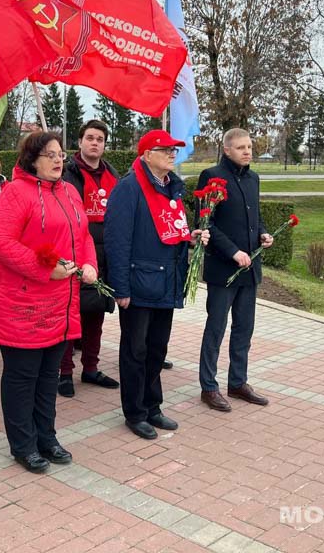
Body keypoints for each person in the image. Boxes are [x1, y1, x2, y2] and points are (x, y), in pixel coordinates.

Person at [0, 131, 97, 473]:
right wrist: (45, 269)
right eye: (49, 154)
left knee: (49, 376)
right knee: (23, 376)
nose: (58, 159)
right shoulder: (15, 193)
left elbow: (84, 235)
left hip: (60, 303)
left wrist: (90, 262)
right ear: (32, 159)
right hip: (23, 303)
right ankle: (23, 444)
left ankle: (46, 437)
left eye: (60, 153)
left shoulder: (69, 191)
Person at [104, 130, 209, 440]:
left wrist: (190, 239)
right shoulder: (129, 189)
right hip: (138, 284)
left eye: (174, 150)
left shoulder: (170, 189)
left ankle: (153, 406)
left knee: (157, 349)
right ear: (147, 155)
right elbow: (116, 241)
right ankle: (134, 412)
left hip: (166, 281)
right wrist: (120, 288)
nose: (172, 154)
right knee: (135, 350)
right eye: (165, 150)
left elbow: (169, 231)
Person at [197, 128, 272, 411]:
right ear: (227, 150)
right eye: (240, 147)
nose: (247, 152)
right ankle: (209, 386)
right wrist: (232, 251)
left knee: (244, 329)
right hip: (223, 270)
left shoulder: (253, 178)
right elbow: (206, 222)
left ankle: (238, 382)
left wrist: (263, 234)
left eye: (250, 147)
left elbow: (256, 216)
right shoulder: (212, 177)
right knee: (216, 328)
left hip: (250, 270)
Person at [59, 120, 121, 397]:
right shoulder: (67, 172)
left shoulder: (112, 173)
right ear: (81, 141)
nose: (95, 143)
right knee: (70, 317)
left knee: (96, 313)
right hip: (74, 251)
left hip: (105, 252)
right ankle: (64, 373)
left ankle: (91, 368)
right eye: (90, 138)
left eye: (100, 139)